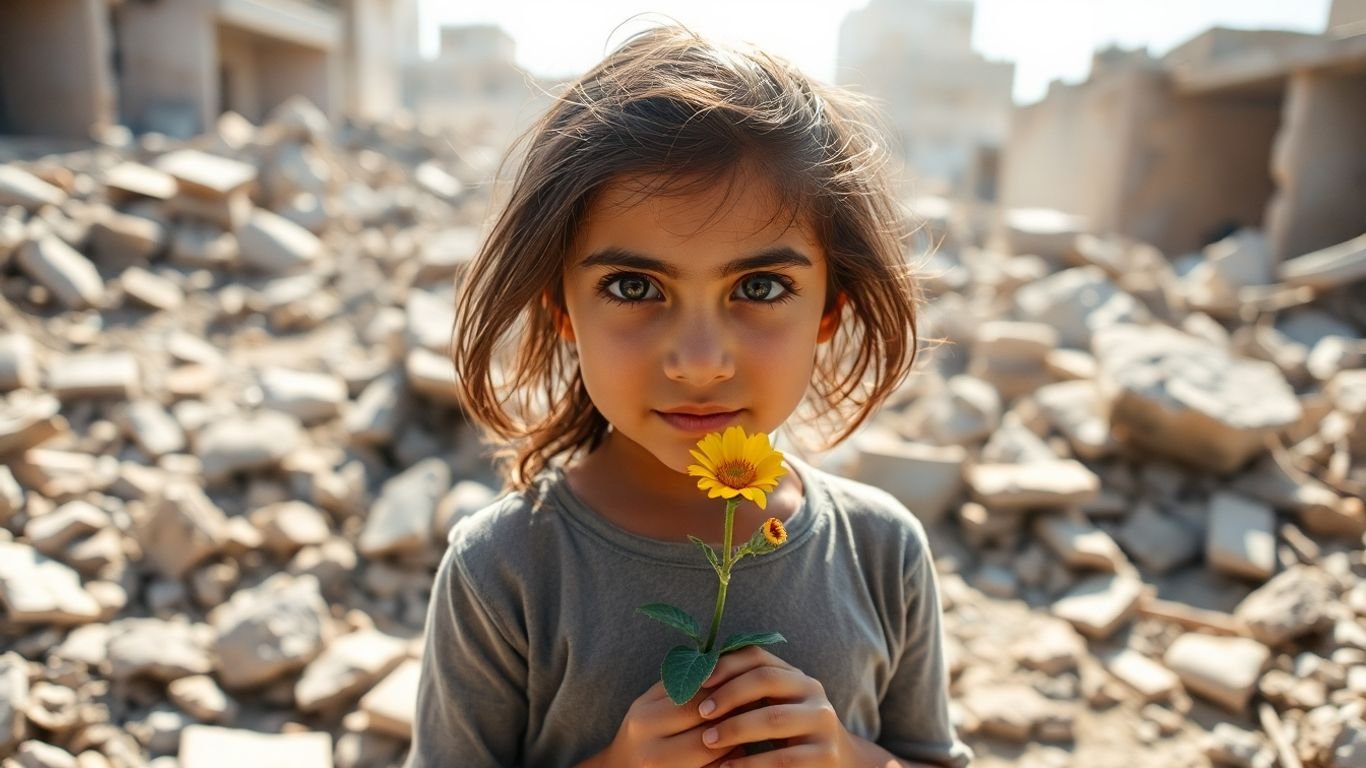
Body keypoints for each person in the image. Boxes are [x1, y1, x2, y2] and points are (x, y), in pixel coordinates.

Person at [406, 23, 972, 768]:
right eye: (634, 287)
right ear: (562, 308)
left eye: (761, 287)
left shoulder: (880, 550)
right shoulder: (506, 570)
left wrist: (848, 757)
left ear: (828, 310)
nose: (700, 363)